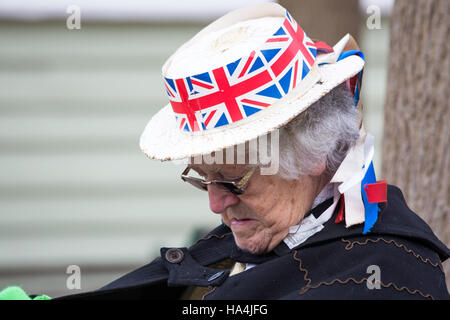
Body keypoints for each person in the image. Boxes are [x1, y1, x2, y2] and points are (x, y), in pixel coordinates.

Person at [4, 3, 448, 300]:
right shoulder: (279, 227)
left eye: (233, 181)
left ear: (314, 153)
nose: (216, 203)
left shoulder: (388, 278)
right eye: (203, 178)